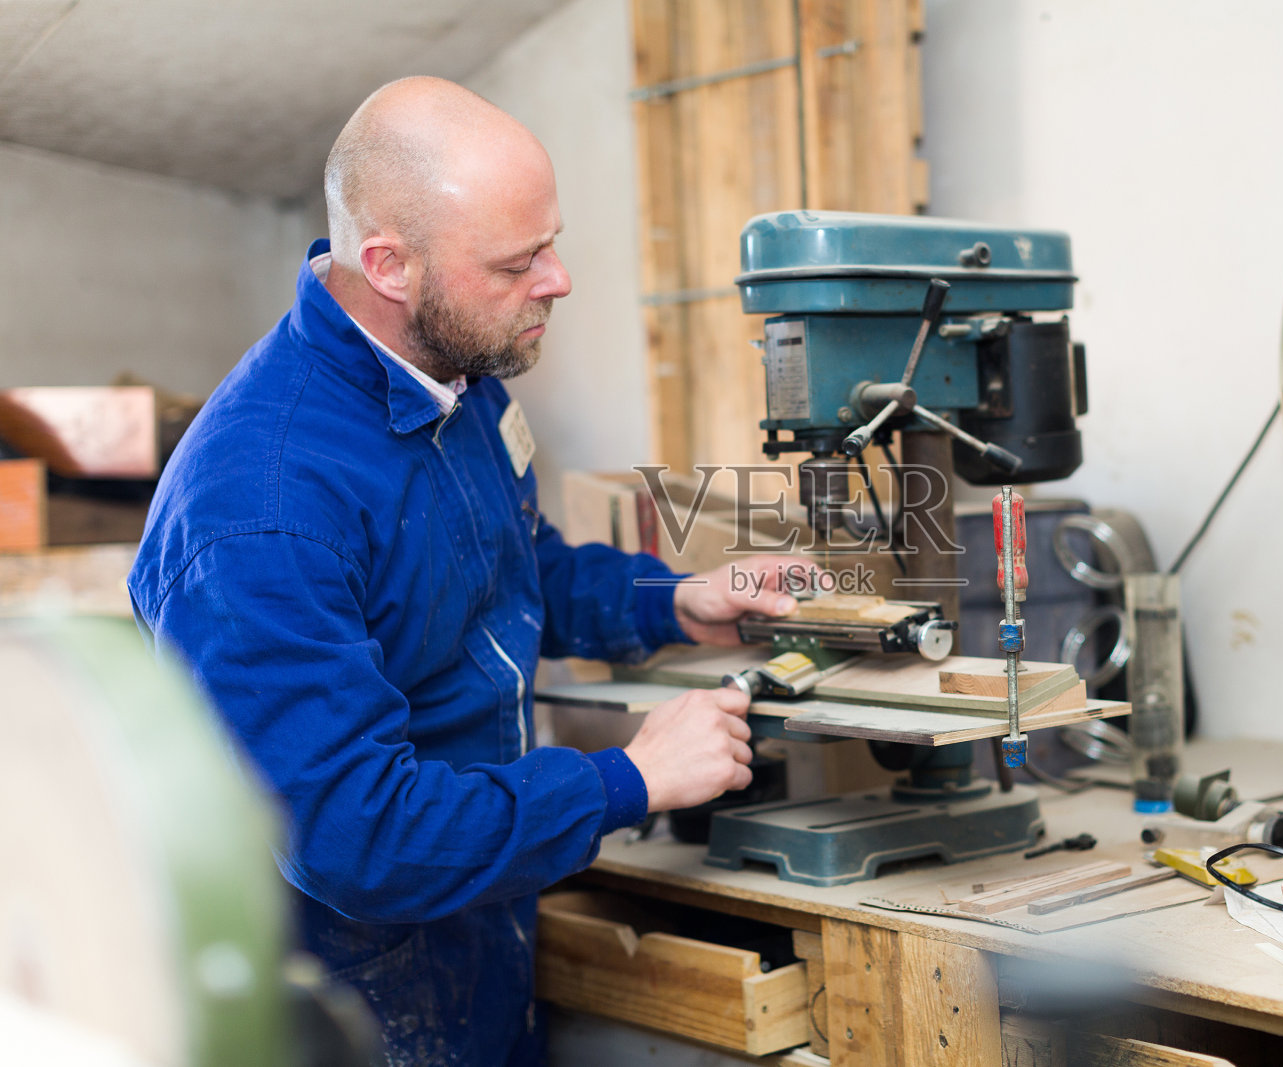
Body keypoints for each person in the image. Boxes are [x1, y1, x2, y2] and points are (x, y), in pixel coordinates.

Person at [129, 76, 802, 1065]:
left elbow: (509, 569)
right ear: (390, 264)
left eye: (553, 241)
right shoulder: (264, 511)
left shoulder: (454, 370)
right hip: (348, 1003)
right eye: (518, 260)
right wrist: (629, 777)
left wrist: (678, 601)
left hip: (476, 935)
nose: (560, 279)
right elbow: (358, 837)